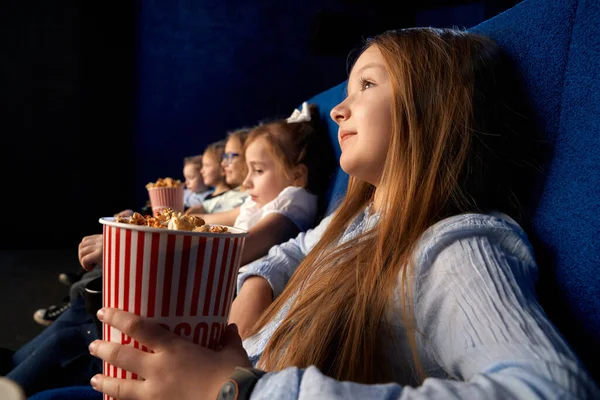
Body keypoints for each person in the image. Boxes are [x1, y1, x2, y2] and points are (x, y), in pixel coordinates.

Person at [85, 27, 600, 400]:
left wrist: (239, 390)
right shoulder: (352, 222)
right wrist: (253, 293)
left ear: (437, 108)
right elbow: (292, 251)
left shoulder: (453, 246)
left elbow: (551, 388)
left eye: (368, 86)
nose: (337, 110)